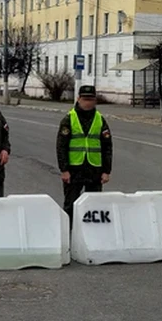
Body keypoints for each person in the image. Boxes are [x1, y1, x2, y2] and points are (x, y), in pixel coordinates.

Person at [56, 84, 113, 222]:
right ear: (78, 99)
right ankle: (69, 236)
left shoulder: (100, 120)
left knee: (94, 207)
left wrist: (106, 171)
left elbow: (107, 147)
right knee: (71, 205)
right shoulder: (69, 119)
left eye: (91, 99)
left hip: (94, 169)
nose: (87, 102)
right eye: (85, 99)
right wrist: (64, 170)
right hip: (74, 169)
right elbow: (61, 146)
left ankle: (91, 238)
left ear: (95, 101)